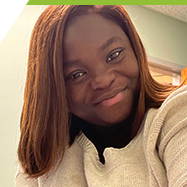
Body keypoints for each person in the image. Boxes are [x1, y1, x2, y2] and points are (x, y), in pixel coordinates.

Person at [15, 5, 187, 186]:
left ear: (135, 50)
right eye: (76, 75)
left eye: (114, 55)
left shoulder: (177, 113)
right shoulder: (43, 155)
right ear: (53, 89)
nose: (103, 81)